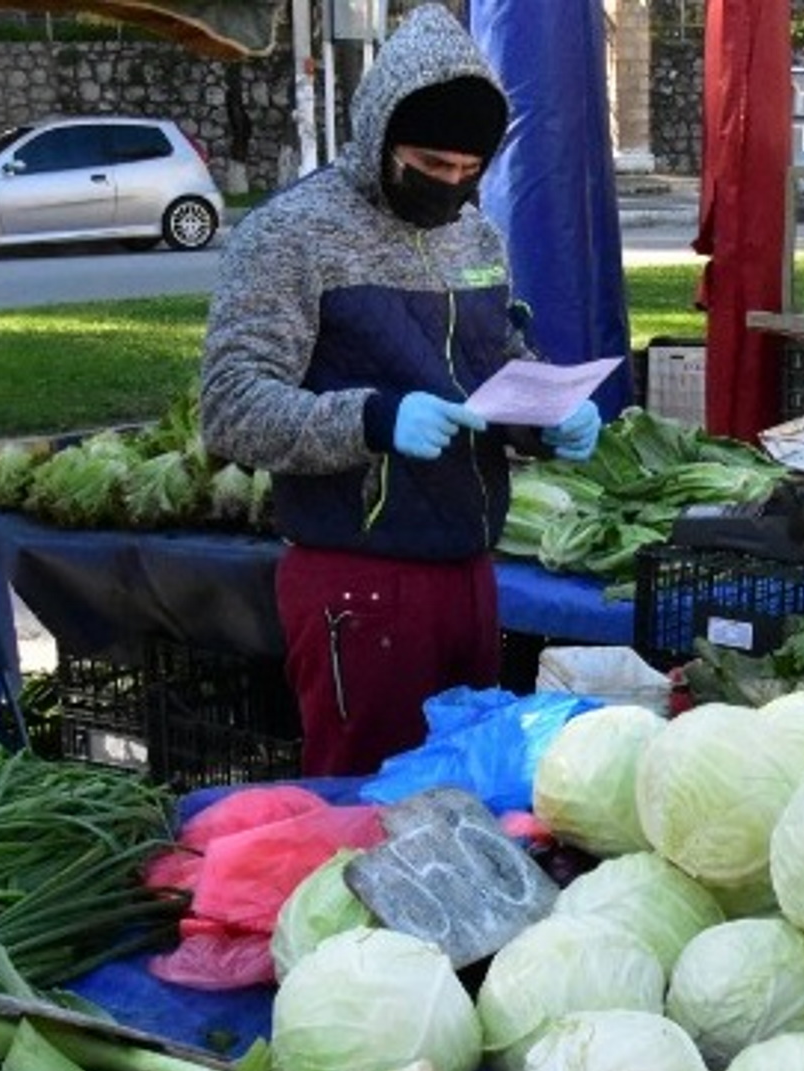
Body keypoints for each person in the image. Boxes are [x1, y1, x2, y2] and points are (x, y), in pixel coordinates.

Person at [199, 3, 602, 777]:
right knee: (367, 801)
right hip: (359, 579)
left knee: (465, 795)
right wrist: (374, 419)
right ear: (380, 136)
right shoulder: (292, 235)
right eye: (429, 165)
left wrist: (544, 415)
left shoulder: (476, 235)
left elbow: (498, 359)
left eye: (466, 171)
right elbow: (231, 406)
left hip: (470, 570)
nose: (448, 185)